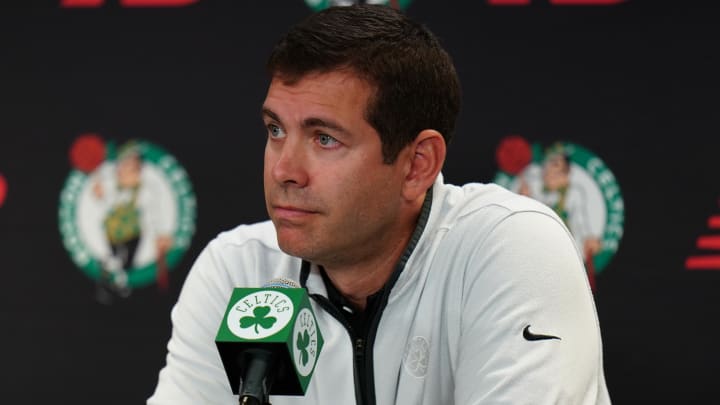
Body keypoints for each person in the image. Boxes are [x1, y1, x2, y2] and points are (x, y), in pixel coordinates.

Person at [148, 4, 611, 404]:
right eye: (275, 130)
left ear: (417, 165)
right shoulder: (238, 271)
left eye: (324, 138)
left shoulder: (510, 248)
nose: (283, 170)